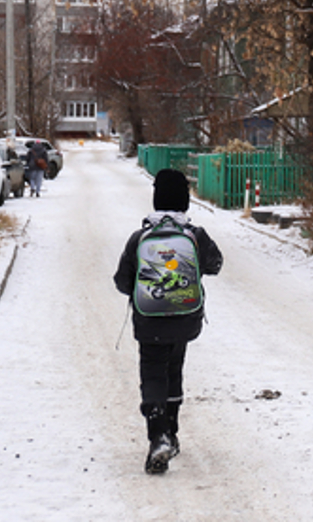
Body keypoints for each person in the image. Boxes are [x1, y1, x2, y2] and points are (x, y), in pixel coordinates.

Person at [113, 168, 223, 474]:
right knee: (174, 370)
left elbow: (122, 281)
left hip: (149, 322)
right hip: (184, 319)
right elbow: (215, 264)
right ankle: (172, 432)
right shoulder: (195, 235)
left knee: (153, 375)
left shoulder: (141, 237)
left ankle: (158, 435)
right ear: (185, 201)